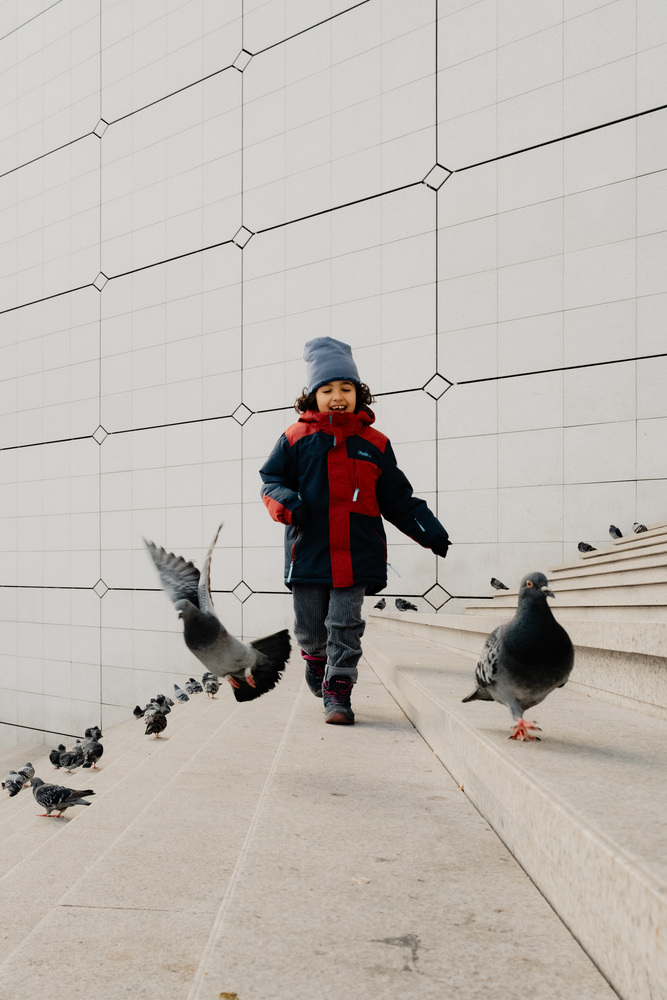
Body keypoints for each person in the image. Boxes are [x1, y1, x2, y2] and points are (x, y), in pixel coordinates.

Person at [259, 337, 450, 725]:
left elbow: (397, 497)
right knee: (311, 631)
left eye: (345, 388)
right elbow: (270, 481)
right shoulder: (296, 438)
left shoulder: (375, 443)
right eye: (327, 389)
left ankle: (339, 695)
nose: (337, 396)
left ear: (359, 395)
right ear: (312, 397)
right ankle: (315, 662)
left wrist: (428, 530)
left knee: (345, 626)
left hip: (357, 554)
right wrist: (288, 504)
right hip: (308, 553)